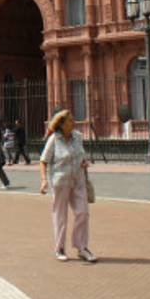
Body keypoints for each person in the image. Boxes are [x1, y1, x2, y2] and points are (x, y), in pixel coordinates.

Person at [39, 110, 96, 263]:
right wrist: (44, 180)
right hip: (61, 182)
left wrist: (83, 162)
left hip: (78, 181)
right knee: (60, 216)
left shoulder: (78, 137)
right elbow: (43, 161)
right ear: (62, 124)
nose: (74, 122)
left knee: (83, 213)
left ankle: (81, 247)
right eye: (70, 120)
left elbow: (81, 155)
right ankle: (60, 248)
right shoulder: (54, 139)